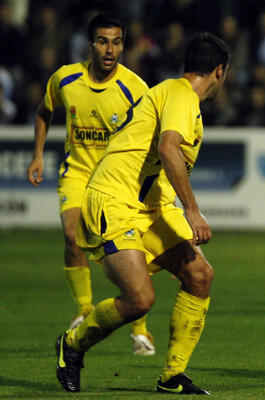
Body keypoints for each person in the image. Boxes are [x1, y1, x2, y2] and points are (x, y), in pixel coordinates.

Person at [54, 32, 229, 394]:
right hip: (114, 200)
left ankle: (172, 375)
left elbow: (156, 165)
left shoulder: (175, 96)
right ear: (219, 71)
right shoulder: (182, 95)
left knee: (199, 275)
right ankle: (71, 345)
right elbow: (168, 150)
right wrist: (192, 212)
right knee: (140, 299)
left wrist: (173, 228)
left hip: (148, 207)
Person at [26, 13, 155, 356]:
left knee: (127, 252)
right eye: (102, 41)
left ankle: (140, 327)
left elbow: (150, 137)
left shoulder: (135, 88)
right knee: (71, 235)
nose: (109, 49)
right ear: (90, 45)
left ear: (123, 46)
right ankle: (84, 310)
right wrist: (38, 155)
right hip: (78, 174)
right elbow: (44, 111)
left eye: (116, 42)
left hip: (116, 180)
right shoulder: (66, 79)